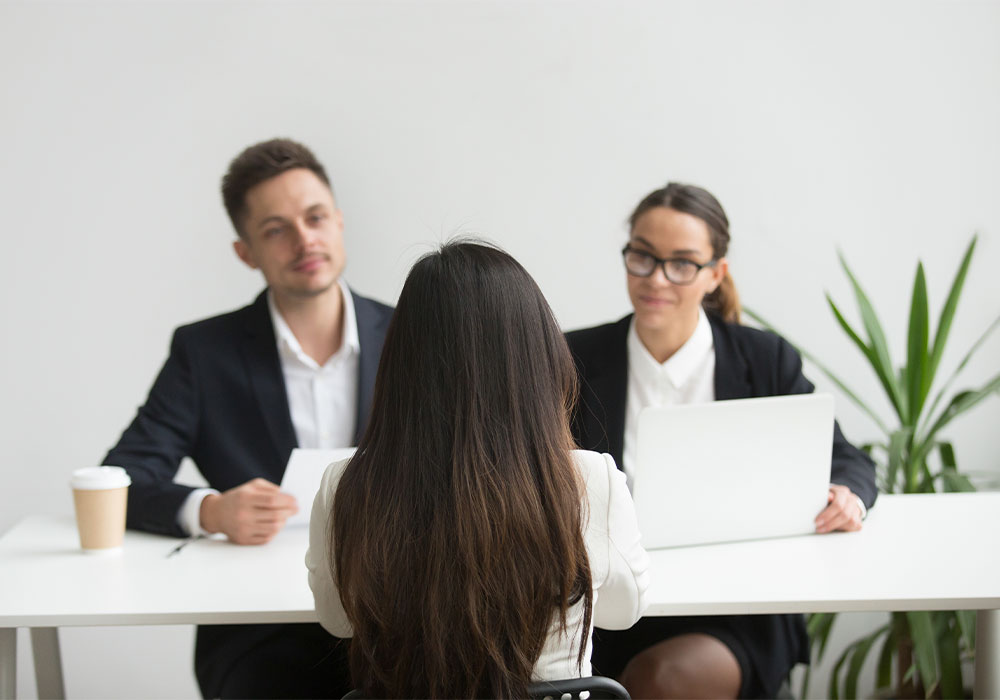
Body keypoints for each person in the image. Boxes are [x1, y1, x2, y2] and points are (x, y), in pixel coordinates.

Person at [103, 138, 393, 699]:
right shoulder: (204, 352)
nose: (304, 240)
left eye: (315, 218)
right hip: (259, 631)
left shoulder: (413, 334)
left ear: (338, 221)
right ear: (246, 252)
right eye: (276, 229)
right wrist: (210, 510)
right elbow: (124, 477)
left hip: (396, 615)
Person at [566, 182, 878, 699]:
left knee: (658, 683)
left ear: (716, 274)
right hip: (612, 607)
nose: (657, 278)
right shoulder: (576, 357)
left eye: (682, 263)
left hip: (737, 608)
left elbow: (846, 459)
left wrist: (849, 495)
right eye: (642, 256)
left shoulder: (764, 360)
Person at [305, 240, 651, 699]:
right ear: (537, 358)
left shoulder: (347, 485)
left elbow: (338, 620)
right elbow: (624, 613)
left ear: (401, 364)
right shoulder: (589, 480)